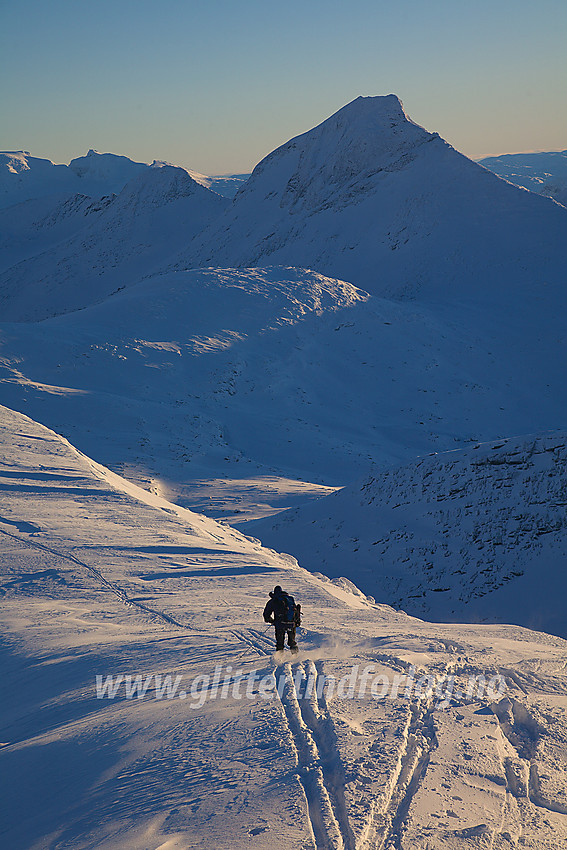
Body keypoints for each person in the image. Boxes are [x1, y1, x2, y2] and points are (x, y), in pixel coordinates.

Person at [263, 585, 300, 653]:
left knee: (280, 643)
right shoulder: (289, 599)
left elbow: (266, 614)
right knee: (292, 642)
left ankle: (279, 659)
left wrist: (271, 621)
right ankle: (296, 657)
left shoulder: (273, 600)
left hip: (280, 624)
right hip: (291, 623)